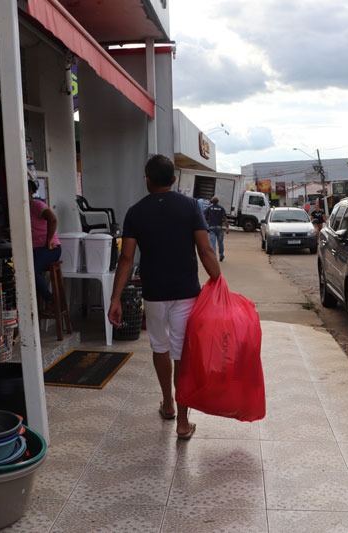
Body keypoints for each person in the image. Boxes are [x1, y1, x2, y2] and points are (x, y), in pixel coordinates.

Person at [108, 154, 221, 440]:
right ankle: (183, 422)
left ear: (147, 179)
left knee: (161, 348)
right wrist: (219, 283)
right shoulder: (191, 206)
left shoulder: (135, 212)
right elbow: (205, 250)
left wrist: (115, 298)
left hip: (154, 293)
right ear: (173, 180)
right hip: (186, 293)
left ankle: (168, 404)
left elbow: (126, 259)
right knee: (182, 352)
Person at [28, 178, 61, 317]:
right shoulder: (22, 208)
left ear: (30, 192)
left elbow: (52, 219)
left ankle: (51, 300)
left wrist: (48, 240)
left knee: (31, 272)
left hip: (50, 249)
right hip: (36, 250)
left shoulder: (36, 205)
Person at [203, 196, 228, 261]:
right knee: (220, 243)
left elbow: (204, 217)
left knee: (212, 243)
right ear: (218, 201)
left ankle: (213, 257)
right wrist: (227, 227)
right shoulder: (221, 208)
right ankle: (221, 255)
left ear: (212, 201)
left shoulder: (209, 208)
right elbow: (225, 218)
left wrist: (204, 225)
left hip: (211, 228)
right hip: (219, 228)